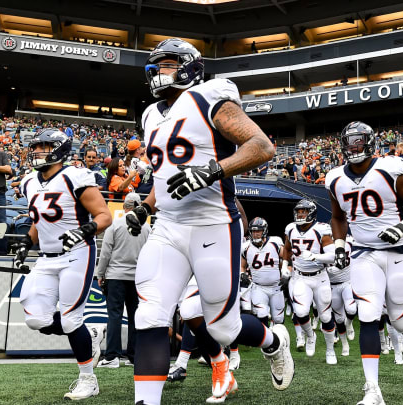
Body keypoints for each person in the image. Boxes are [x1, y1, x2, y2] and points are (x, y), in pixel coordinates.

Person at [125, 38, 293, 405]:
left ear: (189, 66)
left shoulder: (209, 97)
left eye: (167, 63)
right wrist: (147, 207)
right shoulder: (152, 114)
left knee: (222, 326)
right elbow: (165, 176)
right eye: (156, 65)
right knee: (150, 315)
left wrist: (212, 170)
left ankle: (274, 340)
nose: (158, 71)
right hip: (168, 227)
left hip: (213, 224)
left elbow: (262, 147)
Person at [325, 121, 403, 405]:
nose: (354, 147)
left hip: (396, 251)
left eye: (359, 142)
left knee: (398, 317)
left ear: (370, 143)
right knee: (368, 313)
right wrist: (339, 245)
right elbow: (337, 217)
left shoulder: (390, 168)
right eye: (349, 142)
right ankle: (373, 389)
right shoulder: (334, 178)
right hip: (363, 253)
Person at [13, 129, 112, 400]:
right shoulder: (31, 181)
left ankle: (88, 380)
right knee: (36, 319)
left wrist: (83, 231)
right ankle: (89, 334)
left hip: (77, 253)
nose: (38, 152)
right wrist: (26, 242)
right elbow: (40, 221)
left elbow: (104, 215)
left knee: (70, 320)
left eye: (45, 147)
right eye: (37, 147)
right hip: (46, 257)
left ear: (59, 149)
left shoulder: (75, 176)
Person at [96, 193, 150, 369]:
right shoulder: (147, 228)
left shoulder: (115, 224)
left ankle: (112, 356)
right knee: (136, 317)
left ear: (124, 207)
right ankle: (134, 355)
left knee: (114, 316)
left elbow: (105, 253)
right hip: (138, 278)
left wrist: (100, 274)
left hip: (116, 276)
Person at [281, 200, 337, 362]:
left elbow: (332, 255)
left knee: (326, 317)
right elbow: (287, 249)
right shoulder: (291, 229)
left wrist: (315, 256)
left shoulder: (321, 229)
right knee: (301, 312)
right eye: (299, 212)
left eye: (304, 212)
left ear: (311, 213)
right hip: (300, 277)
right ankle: (310, 336)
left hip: (320, 277)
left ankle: (330, 350)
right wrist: (285, 265)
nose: (300, 215)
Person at [241, 217, 285, 327]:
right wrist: (242, 274)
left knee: (278, 319)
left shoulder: (275, 242)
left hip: (276, 286)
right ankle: (266, 340)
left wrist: (286, 272)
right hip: (258, 287)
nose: (255, 234)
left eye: (258, 231)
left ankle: (278, 338)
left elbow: (287, 259)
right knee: (261, 313)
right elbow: (242, 265)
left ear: (264, 231)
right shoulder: (246, 247)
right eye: (253, 231)